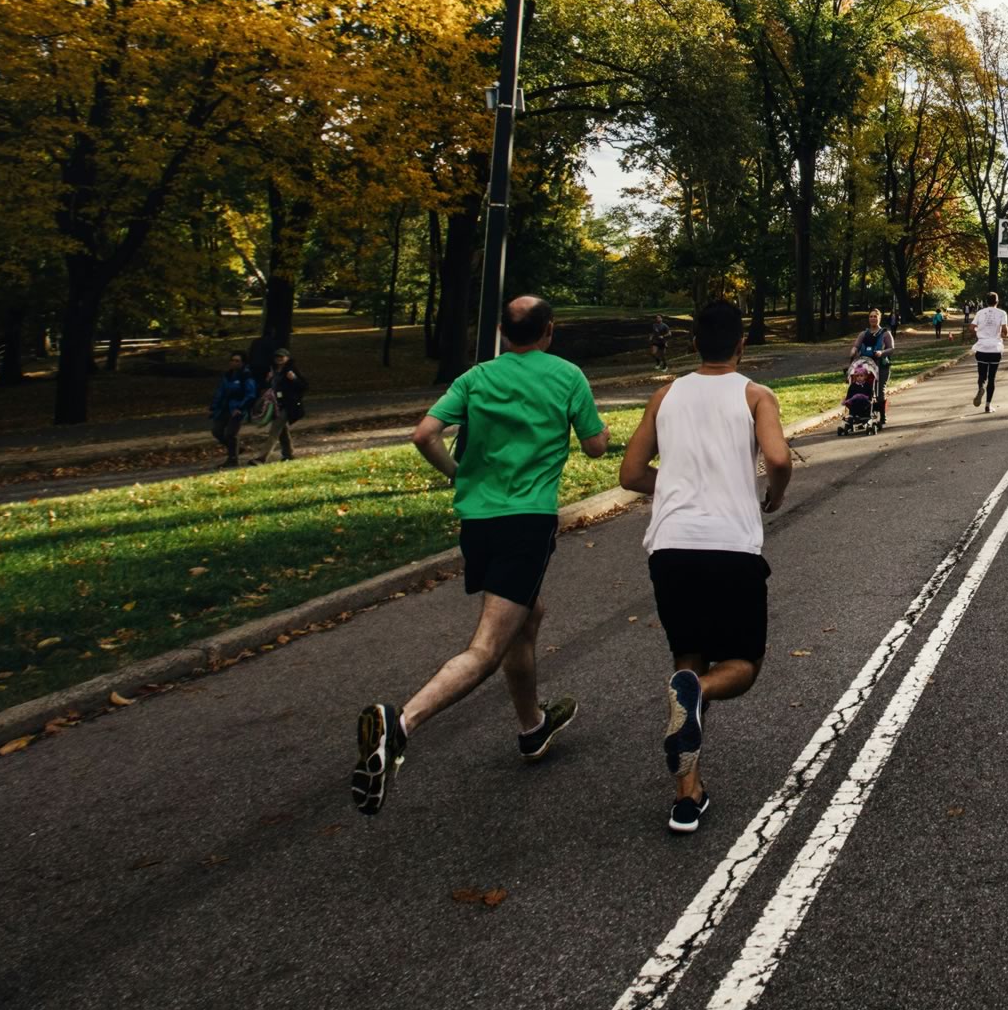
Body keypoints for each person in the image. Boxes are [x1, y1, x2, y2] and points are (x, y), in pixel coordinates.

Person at [351, 296, 610, 816]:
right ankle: (400, 726)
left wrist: (456, 473)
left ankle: (532, 728)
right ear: (549, 331)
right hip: (526, 522)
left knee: (527, 617)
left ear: (502, 331)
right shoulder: (565, 375)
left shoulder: (476, 378)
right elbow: (597, 447)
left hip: (478, 522)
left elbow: (424, 433)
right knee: (487, 647)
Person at [619, 300, 793, 834]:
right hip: (730, 547)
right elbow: (779, 459)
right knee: (741, 664)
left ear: (693, 343)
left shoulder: (665, 394)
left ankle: (686, 795)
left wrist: (674, 489)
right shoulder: (755, 395)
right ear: (742, 345)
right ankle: (703, 696)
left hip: (670, 547)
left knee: (687, 661)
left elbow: (630, 473)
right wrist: (774, 493)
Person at [247, 347, 306, 464]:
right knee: (282, 430)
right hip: (275, 404)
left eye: (282, 357)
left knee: (274, 431)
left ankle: (262, 458)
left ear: (287, 358)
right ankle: (289, 454)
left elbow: (304, 386)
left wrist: (294, 379)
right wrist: (268, 380)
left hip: (287, 405)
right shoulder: (273, 370)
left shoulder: (291, 370)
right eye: (277, 357)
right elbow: (271, 387)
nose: (279, 359)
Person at [208, 351, 257, 470]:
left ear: (243, 362)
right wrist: (214, 406)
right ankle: (235, 449)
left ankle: (233, 459)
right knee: (216, 430)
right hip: (224, 407)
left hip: (238, 408)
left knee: (230, 433)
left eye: (237, 361)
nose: (234, 363)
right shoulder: (228, 375)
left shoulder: (246, 376)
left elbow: (250, 394)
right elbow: (221, 391)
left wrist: (240, 408)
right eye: (232, 360)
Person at [852, 308, 896, 421]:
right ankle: (863, 413)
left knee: (879, 391)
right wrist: (853, 351)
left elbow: (891, 348)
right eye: (871, 316)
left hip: (881, 366)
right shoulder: (864, 334)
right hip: (865, 366)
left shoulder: (886, 333)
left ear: (879, 318)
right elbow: (856, 345)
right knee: (864, 389)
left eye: (875, 316)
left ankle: (882, 415)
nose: (872, 318)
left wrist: (882, 352)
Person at [970, 292, 1008, 410]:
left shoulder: (980, 313)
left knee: (982, 374)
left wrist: (979, 334)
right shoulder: (1002, 313)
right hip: (995, 348)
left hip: (982, 347)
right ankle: (988, 405)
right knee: (992, 377)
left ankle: (981, 387)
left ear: (986, 302)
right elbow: (1005, 332)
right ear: (997, 301)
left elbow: (971, 328)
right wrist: (1004, 333)